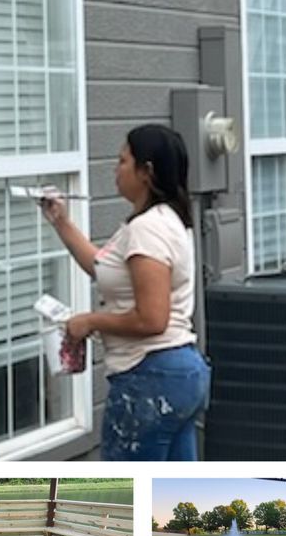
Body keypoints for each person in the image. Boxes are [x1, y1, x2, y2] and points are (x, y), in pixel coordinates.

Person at [42, 124, 210, 461]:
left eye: (122, 161)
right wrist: (60, 221)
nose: (115, 170)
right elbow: (103, 267)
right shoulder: (163, 220)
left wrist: (89, 321)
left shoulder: (147, 230)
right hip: (178, 375)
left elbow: (152, 319)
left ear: (145, 171)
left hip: (150, 377)